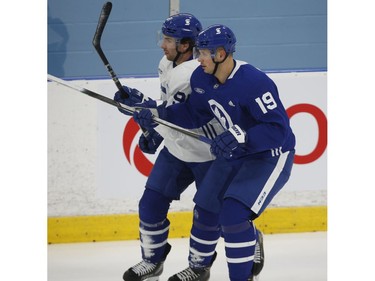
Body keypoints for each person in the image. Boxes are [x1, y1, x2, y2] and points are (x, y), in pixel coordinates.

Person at [133, 24, 295, 281]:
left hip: (270, 155)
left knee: (232, 215)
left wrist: (240, 136)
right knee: (206, 209)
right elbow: (193, 114)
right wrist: (156, 112)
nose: (199, 59)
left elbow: (278, 130)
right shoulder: (202, 78)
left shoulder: (254, 82)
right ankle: (199, 268)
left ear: (220, 54)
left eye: (204, 53)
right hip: (237, 151)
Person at [114, 14, 229, 281]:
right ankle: (152, 261)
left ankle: (201, 265)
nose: (162, 45)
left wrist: (151, 115)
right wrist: (143, 105)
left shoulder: (198, 72)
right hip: (178, 150)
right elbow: (169, 107)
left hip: (209, 154)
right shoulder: (167, 63)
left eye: (168, 39)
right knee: (150, 204)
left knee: (211, 216)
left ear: (186, 45)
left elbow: (190, 115)